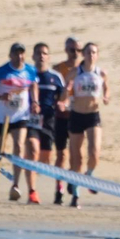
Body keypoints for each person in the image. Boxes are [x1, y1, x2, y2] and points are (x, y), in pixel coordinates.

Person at [0, 42, 38, 202]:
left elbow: (34, 84)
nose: (19, 56)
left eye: (22, 53)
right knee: (0, 150)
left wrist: (35, 101)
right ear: (10, 55)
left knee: (19, 146)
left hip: (20, 116)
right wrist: (0, 97)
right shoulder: (1, 71)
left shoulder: (29, 70)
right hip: (1, 117)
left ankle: (15, 184)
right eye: (16, 53)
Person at [19, 42, 66, 205]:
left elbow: (63, 96)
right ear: (33, 56)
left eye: (44, 53)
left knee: (44, 158)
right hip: (30, 119)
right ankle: (32, 192)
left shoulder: (55, 77)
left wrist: (62, 103)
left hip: (49, 120)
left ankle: (33, 171)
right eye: (38, 53)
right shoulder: (26, 74)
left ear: (49, 57)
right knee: (32, 149)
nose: (41, 56)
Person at [63, 42, 108, 207]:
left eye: (94, 52)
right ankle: (75, 195)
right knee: (77, 158)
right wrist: (65, 96)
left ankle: (89, 175)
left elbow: (107, 89)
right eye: (88, 52)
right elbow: (65, 90)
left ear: (97, 55)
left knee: (95, 152)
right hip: (76, 115)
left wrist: (106, 97)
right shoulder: (75, 72)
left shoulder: (101, 73)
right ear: (84, 54)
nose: (91, 55)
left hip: (93, 115)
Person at [48, 36, 81, 203]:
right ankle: (58, 188)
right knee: (61, 154)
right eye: (71, 50)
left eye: (78, 50)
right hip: (61, 117)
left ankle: (74, 185)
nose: (75, 53)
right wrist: (60, 102)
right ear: (66, 50)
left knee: (77, 155)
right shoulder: (58, 69)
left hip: (79, 116)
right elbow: (53, 93)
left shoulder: (85, 69)